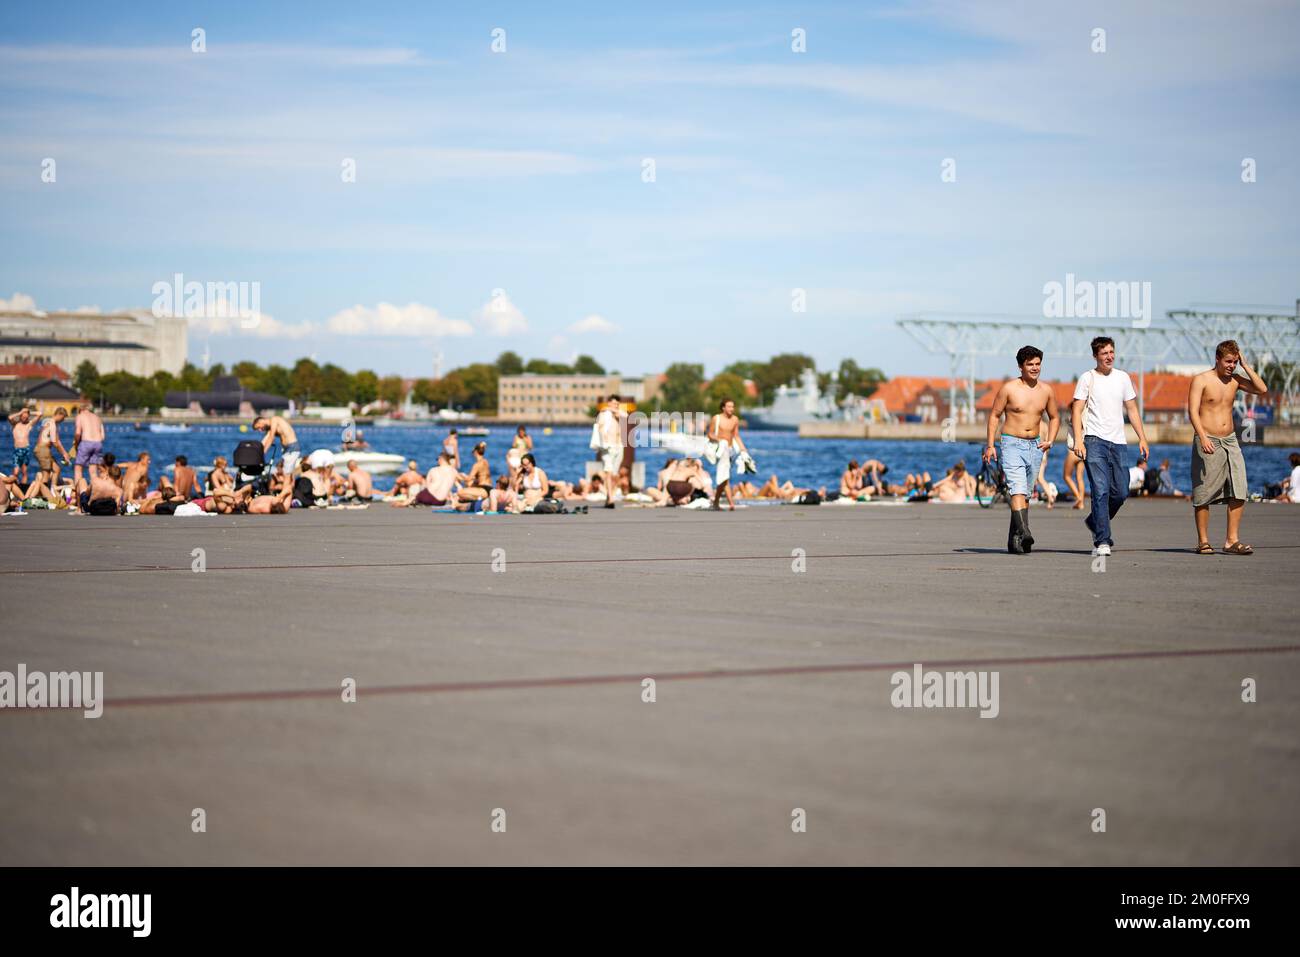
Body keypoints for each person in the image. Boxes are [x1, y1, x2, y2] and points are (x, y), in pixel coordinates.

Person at [1071, 336, 1151, 557]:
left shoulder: (1123, 378)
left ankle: (1094, 521)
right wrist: (1079, 440)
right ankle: (1102, 540)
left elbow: (1132, 410)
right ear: (1096, 356)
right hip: (1093, 441)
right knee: (1100, 490)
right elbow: (1076, 410)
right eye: (1104, 353)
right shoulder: (1087, 378)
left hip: (1118, 443)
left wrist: (1142, 438)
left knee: (1122, 491)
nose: (1109, 356)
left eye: (1111, 352)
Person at [1188, 340, 1268, 555]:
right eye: (1228, 361)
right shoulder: (1201, 380)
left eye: (1234, 362)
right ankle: (1203, 541)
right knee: (1203, 491)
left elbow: (1262, 389)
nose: (1231, 366)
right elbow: (1193, 411)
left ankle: (1231, 541)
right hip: (1208, 439)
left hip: (1231, 440)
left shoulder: (1235, 380)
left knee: (1240, 488)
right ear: (1217, 359)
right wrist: (1203, 437)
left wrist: (1246, 365)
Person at [983, 345, 1060, 553]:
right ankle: (1025, 532)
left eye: (1037, 364)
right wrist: (990, 445)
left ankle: (1014, 540)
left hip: (1035, 445)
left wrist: (1050, 440)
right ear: (1020, 366)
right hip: (1011, 443)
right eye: (1030, 364)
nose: (1035, 368)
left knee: (1025, 493)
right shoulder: (1009, 389)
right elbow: (994, 416)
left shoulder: (1046, 391)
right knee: (1017, 489)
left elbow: (1055, 417)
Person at [707, 398, 747, 511]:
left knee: (725, 478)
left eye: (733, 406)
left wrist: (743, 449)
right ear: (723, 407)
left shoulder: (735, 419)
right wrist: (720, 440)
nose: (731, 409)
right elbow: (709, 434)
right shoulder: (717, 418)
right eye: (729, 406)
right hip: (720, 450)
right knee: (725, 476)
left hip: (730, 450)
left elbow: (736, 435)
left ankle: (716, 502)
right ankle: (730, 503)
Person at [592, 395, 623, 508]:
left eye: (617, 404)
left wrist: (613, 410)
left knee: (615, 475)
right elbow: (600, 427)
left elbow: (627, 415)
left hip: (618, 447)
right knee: (608, 472)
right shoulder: (604, 414)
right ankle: (610, 498)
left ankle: (609, 496)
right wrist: (603, 439)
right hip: (607, 447)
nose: (616, 406)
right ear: (609, 403)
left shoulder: (619, 414)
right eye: (614, 404)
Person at [72, 401, 106, 490]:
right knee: (93, 471)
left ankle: (78, 491)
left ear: (80, 410)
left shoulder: (80, 416)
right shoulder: (97, 417)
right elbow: (102, 436)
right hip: (98, 444)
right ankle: (94, 491)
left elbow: (78, 433)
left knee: (78, 468)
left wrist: (76, 444)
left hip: (86, 442)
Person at [7, 405, 41, 484]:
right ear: (20, 416)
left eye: (26, 417)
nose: (24, 418)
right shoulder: (15, 424)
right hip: (17, 450)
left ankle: (23, 488)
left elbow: (40, 414)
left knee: (24, 472)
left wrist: (29, 412)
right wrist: (20, 412)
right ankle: (14, 488)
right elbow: (10, 417)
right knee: (15, 472)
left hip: (26, 449)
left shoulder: (29, 424)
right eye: (23, 416)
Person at [1061, 442, 1087, 510]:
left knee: (1066, 476)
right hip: (1082, 450)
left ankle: (1079, 498)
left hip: (1073, 451)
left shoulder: (1076, 430)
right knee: (1079, 477)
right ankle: (1081, 504)